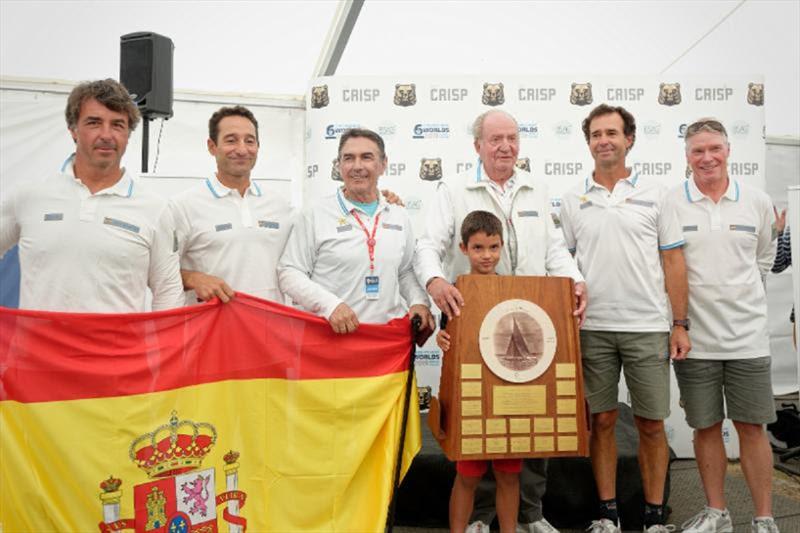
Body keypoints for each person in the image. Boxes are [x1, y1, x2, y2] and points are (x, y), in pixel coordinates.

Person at [415, 109, 586, 533]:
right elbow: (427, 246)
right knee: (479, 419)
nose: (505, 146)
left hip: (533, 322)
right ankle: (478, 519)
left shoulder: (536, 187)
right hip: (474, 322)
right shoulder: (453, 188)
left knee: (532, 418)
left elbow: (554, 250)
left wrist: (576, 281)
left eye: (511, 138)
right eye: (495, 139)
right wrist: (435, 282)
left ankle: (530, 515)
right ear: (478, 146)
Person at [558, 104, 690, 533]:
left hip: (648, 326)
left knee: (652, 423)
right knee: (602, 421)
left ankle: (653, 516)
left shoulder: (658, 193)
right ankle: (607, 513)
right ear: (589, 141)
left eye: (612, 133)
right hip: (592, 327)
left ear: (629, 139)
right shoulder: (573, 198)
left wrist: (680, 322)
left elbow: (673, 261)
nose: (604, 141)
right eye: (596, 134)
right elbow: (561, 262)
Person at [668, 119, 779, 533]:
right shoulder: (671, 202)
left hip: (748, 338)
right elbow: (669, 265)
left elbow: (764, 259)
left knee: (752, 427)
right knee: (705, 426)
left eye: (714, 148)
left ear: (729, 150)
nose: (707, 157)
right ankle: (717, 512)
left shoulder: (757, 201)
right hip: (695, 338)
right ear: (687, 156)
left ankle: (764, 517)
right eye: (697, 150)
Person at [0, 78, 183, 312]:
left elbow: (168, 291)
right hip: (37, 348)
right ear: (73, 130)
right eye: (94, 123)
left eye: (117, 125)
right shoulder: (28, 196)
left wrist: (165, 347)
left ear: (128, 134)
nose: (106, 135)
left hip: (118, 349)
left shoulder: (155, 209)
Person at [277, 128, 434, 334]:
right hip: (330, 340)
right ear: (339, 165)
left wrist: (419, 302)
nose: (357, 166)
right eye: (349, 158)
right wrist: (330, 305)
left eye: (367, 158)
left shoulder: (398, 215)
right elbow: (290, 272)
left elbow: (405, 272)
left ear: (383, 164)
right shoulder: (315, 213)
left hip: (386, 341)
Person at [437, 210, 521, 533]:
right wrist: (441, 337)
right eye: (478, 248)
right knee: (467, 475)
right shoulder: (453, 291)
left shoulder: (516, 288)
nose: (487, 256)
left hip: (507, 396)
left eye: (493, 247)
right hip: (472, 399)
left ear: (502, 246)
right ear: (463, 248)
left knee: (509, 474)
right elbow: (447, 334)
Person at [169, 106, 292, 304]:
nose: (242, 149)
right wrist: (193, 279)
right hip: (211, 330)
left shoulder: (280, 206)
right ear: (212, 146)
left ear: (258, 147)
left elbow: (295, 270)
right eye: (231, 140)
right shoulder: (183, 206)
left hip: (269, 329)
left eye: (249, 141)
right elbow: (158, 271)